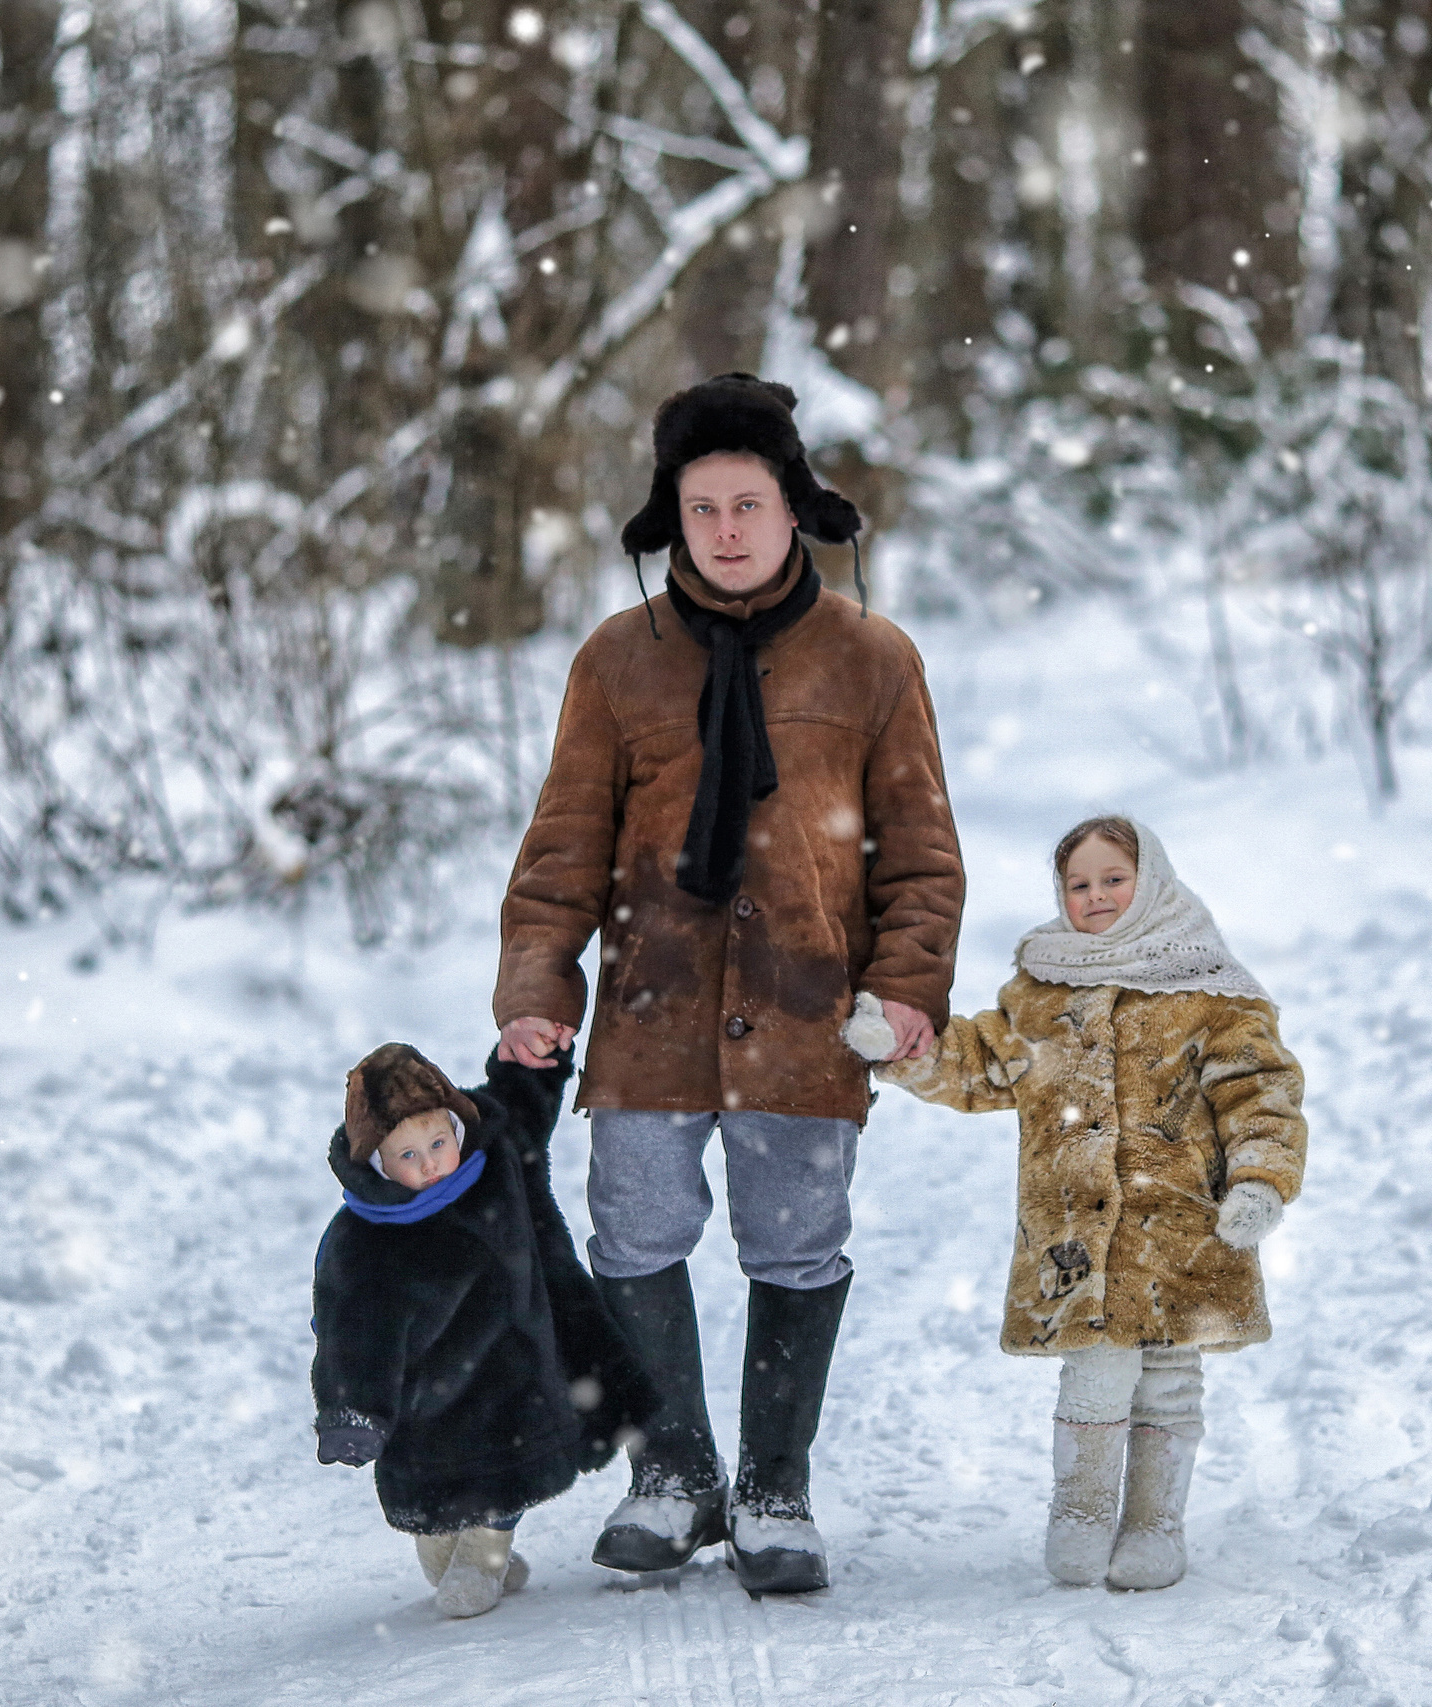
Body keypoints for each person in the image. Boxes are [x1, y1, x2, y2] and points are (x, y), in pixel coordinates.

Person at [492, 372, 965, 1594]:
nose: (726, 530)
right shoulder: (620, 660)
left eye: (748, 503)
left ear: (792, 505)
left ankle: (773, 1489)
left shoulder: (869, 659)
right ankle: (676, 1474)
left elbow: (920, 856)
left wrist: (907, 986)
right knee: (634, 1233)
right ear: (674, 517)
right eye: (701, 508)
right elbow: (561, 851)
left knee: (797, 1245)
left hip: (807, 1013)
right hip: (649, 1011)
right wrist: (536, 987)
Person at [871, 815, 1306, 1590]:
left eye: (1114, 879)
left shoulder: (1211, 990)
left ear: (1153, 883)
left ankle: (1155, 1524)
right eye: (1079, 883)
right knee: (1096, 1372)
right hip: (1081, 1239)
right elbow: (981, 1064)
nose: (1096, 895)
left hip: (1185, 1230)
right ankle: (1079, 1512)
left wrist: (1260, 1180)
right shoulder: (1043, 990)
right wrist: (908, 1048)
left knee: (1170, 1377)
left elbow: (1260, 1091)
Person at [311, 1041, 657, 1618]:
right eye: (407, 1155)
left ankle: (486, 1558)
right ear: (376, 1164)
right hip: (426, 1393)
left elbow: (522, 1101)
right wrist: (352, 1411)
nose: (430, 1164)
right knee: (434, 1522)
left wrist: (535, 1059)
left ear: (456, 1128)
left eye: (437, 1143)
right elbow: (351, 1334)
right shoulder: (363, 1240)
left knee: (503, 1482)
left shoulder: (496, 1160)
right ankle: (463, 1556)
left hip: (514, 1369)